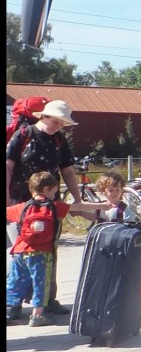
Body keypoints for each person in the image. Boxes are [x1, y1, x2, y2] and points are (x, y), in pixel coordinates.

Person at [5, 99, 85, 315]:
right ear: (44, 116)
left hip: (50, 206)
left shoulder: (59, 140)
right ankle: (13, 302)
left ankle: (47, 299)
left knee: (48, 251)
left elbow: (68, 171)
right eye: (57, 122)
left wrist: (77, 200)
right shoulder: (23, 134)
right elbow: (8, 166)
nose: (59, 126)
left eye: (62, 123)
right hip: (20, 204)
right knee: (22, 252)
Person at [7, 171, 108, 326]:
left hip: (20, 251)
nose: (56, 194)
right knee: (41, 284)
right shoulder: (54, 206)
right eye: (55, 191)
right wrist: (102, 205)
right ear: (47, 189)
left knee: (16, 281)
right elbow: (78, 206)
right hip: (42, 253)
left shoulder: (23, 207)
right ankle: (37, 316)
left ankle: (12, 311)